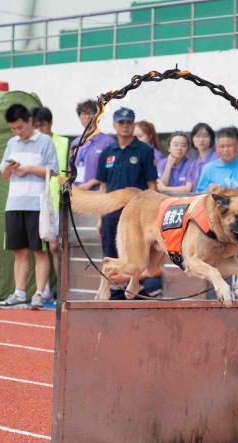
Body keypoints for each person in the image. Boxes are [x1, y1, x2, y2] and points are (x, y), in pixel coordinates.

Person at [0, 104, 59, 310]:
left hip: (37, 204)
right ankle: (20, 292)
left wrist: (29, 168)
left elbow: (54, 171)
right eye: (13, 128)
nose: (17, 132)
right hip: (14, 204)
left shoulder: (45, 141)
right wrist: (10, 169)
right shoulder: (11, 143)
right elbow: (3, 174)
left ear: (30, 121)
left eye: (20, 127)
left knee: (39, 251)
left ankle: (39, 293)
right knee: (19, 251)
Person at [96, 107, 160, 300]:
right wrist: (100, 217)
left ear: (133, 124)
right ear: (114, 125)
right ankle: (114, 293)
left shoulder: (145, 151)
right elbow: (102, 186)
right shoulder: (107, 152)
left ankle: (135, 291)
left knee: (136, 255)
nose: (125, 126)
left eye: (129, 122)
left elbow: (152, 186)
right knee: (110, 251)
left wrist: (154, 214)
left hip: (136, 215)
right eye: (121, 122)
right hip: (111, 212)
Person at [32, 106, 69, 302]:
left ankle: (60, 288)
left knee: (54, 246)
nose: (40, 129)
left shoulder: (63, 142)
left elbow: (64, 172)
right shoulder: (32, 144)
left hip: (55, 201)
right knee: (39, 246)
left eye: (43, 125)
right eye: (36, 126)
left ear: (50, 123)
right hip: (35, 200)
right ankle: (43, 288)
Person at [195, 127, 238, 192]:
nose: (226, 150)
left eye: (229, 146)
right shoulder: (209, 168)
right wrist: (208, 190)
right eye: (222, 147)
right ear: (216, 149)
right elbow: (198, 194)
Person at [70, 99, 115, 191]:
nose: (87, 117)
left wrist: (90, 183)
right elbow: (70, 169)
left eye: (90, 113)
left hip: (97, 194)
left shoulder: (108, 142)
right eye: (83, 114)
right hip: (77, 193)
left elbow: (111, 171)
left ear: (98, 116)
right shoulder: (75, 143)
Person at [189, 122, 218, 189]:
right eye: (197, 136)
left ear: (211, 139)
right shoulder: (193, 165)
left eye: (205, 136)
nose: (201, 140)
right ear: (192, 139)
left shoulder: (218, 159)